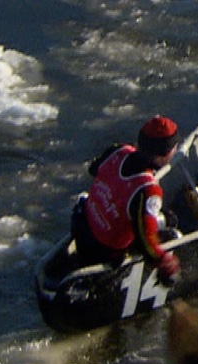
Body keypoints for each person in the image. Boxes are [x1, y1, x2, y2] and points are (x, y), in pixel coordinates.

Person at [71, 115, 182, 282]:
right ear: (164, 154)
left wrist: (113, 195)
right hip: (105, 251)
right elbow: (145, 238)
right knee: (171, 225)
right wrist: (162, 260)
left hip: (83, 229)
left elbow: (94, 169)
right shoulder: (148, 191)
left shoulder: (118, 151)